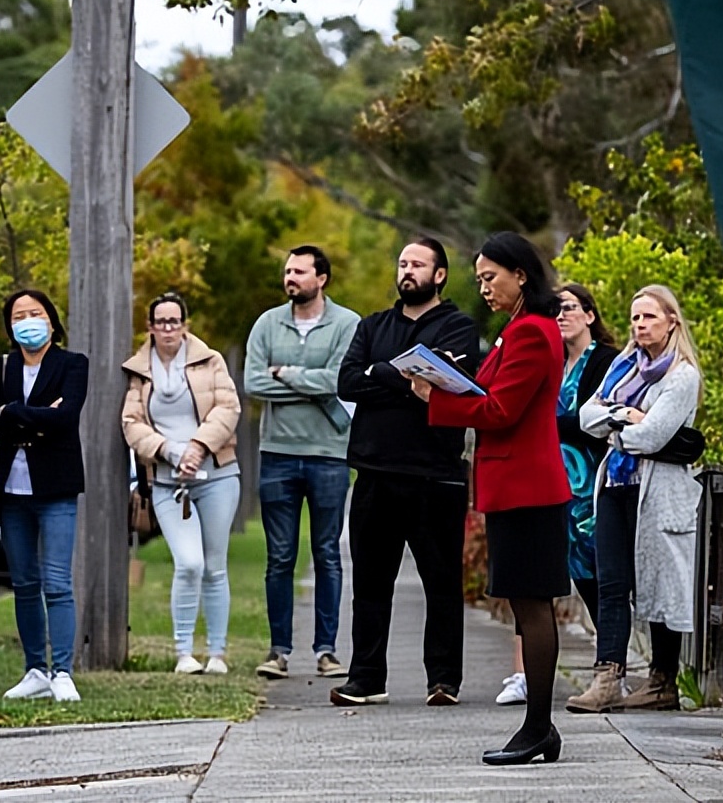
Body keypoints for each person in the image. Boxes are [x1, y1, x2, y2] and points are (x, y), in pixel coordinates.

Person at [409, 233, 571, 766]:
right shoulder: (516, 329)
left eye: (490, 277)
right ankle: (539, 728)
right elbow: (487, 395)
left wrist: (436, 399)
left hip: (529, 488)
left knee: (533, 605)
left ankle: (539, 727)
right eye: (479, 279)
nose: (483, 288)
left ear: (520, 274)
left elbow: (501, 410)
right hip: (513, 487)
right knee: (525, 604)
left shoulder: (531, 332)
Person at [331, 238, 479, 707]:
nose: (407, 271)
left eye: (417, 264)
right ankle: (366, 678)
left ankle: (444, 680)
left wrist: (379, 374)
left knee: (442, 583)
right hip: (375, 471)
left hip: (435, 475)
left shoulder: (458, 327)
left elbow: (450, 383)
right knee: (370, 584)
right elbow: (348, 382)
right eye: (402, 263)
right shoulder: (373, 325)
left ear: (439, 275)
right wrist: (404, 379)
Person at [568, 284, 703, 714]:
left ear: (671, 321)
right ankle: (608, 677)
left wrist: (615, 429)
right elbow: (586, 417)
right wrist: (625, 414)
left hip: (659, 489)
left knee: (662, 582)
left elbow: (653, 436)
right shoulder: (623, 366)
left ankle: (663, 680)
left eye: (649, 317)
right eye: (635, 318)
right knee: (611, 582)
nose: (640, 325)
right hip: (615, 484)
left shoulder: (681, 375)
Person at [496, 283, 618, 707]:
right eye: (555, 310)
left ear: (589, 314)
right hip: (546, 482)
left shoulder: (604, 361)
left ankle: (610, 667)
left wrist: (544, 423)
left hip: (588, 485)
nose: (561, 316)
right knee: (534, 582)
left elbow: (593, 421)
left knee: (592, 575)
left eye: (569, 308)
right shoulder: (551, 359)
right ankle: (524, 674)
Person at [244, 245, 359, 680]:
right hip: (277, 454)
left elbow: (340, 380)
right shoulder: (267, 323)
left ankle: (327, 650)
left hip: (329, 455)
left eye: (299, 271)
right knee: (279, 557)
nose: (290, 278)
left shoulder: (347, 324)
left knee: (327, 554)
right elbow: (253, 382)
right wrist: (310, 385)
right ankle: (278, 651)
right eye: (287, 271)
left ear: (321, 278)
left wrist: (286, 373)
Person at [0, 290, 88, 701]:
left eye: (35, 313)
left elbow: (66, 417)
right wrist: (33, 417)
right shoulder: (2, 366)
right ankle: (35, 669)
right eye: (18, 315)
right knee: (24, 582)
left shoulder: (72, 364)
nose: (27, 321)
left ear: (52, 321)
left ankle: (63, 670)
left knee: (57, 583)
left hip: (55, 486)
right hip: (11, 489)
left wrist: (12, 413)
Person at [122, 292, 241, 674]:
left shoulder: (210, 360)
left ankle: (217, 653)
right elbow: (131, 424)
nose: (168, 329)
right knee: (188, 563)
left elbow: (228, 408)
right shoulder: (139, 371)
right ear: (150, 327)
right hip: (167, 481)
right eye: (161, 322)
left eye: (174, 321)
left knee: (214, 566)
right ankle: (184, 652)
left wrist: (198, 446)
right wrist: (171, 451)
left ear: (185, 325)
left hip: (217, 475)